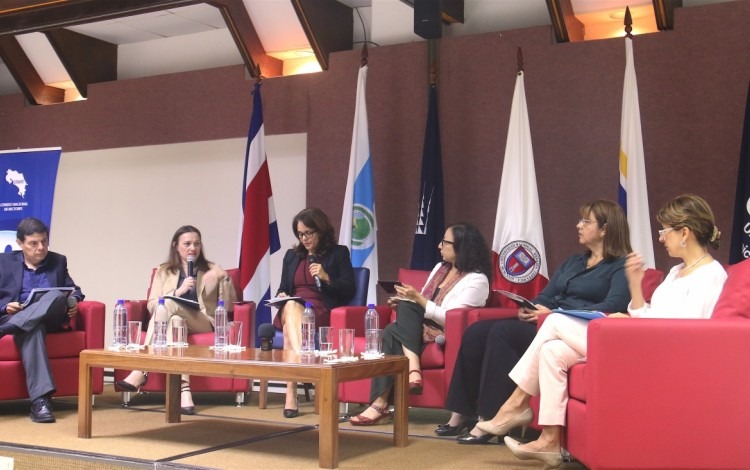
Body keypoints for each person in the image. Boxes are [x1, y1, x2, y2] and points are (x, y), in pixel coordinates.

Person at [480, 194, 726, 469]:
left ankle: (515, 405)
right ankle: (550, 440)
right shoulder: (676, 271)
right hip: (646, 343)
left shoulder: (711, 276)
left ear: (684, 233)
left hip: (662, 356)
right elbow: (649, 316)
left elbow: (688, 335)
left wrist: (632, 327)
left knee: (554, 322)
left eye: (664, 231)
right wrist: (635, 289)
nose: (660, 238)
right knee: (552, 351)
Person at [440, 200, 633, 444]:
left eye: (586, 221)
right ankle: (461, 412)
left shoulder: (621, 266)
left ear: (605, 229)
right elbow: (547, 294)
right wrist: (531, 307)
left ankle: (491, 417)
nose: (578, 225)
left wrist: (554, 313)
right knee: (477, 331)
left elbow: (612, 306)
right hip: (545, 322)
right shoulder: (574, 261)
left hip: (573, 330)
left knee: (503, 332)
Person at [349, 222, 492, 426]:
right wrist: (403, 302)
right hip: (419, 325)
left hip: (445, 332)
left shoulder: (477, 280)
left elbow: (452, 318)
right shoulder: (439, 268)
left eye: (445, 242)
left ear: (462, 246)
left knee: (392, 330)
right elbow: (423, 300)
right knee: (399, 317)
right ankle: (408, 375)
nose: (439, 246)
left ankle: (382, 401)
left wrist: (416, 299)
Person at [117, 225, 237, 415]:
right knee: (174, 321)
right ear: (176, 246)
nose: (192, 248)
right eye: (187, 244)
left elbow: (229, 305)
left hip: (202, 321)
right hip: (174, 320)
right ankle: (184, 391)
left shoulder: (212, 269)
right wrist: (178, 291)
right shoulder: (164, 271)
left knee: (168, 306)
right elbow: (152, 304)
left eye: (196, 244)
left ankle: (142, 368)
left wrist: (225, 278)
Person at [0, 217, 84, 423]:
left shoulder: (58, 260)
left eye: (44, 242)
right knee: (32, 329)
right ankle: (40, 402)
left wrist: (72, 301)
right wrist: (4, 307)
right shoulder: (3, 262)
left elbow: (75, 291)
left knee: (56, 295)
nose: (41, 248)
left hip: (51, 318)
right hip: (20, 317)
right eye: (33, 243)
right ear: (20, 243)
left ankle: (8, 328)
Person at [274, 208, 355, 418]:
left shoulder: (338, 253)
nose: (304, 238)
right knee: (291, 306)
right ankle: (307, 363)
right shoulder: (292, 256)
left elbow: (349, 289)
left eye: (308, 233)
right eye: (300, 234)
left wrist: (327, 277)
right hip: (292, 307)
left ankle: (291, 393)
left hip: (320, 310)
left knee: (289, 336)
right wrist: (282, 294)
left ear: (320, 230)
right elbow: (283, 287)